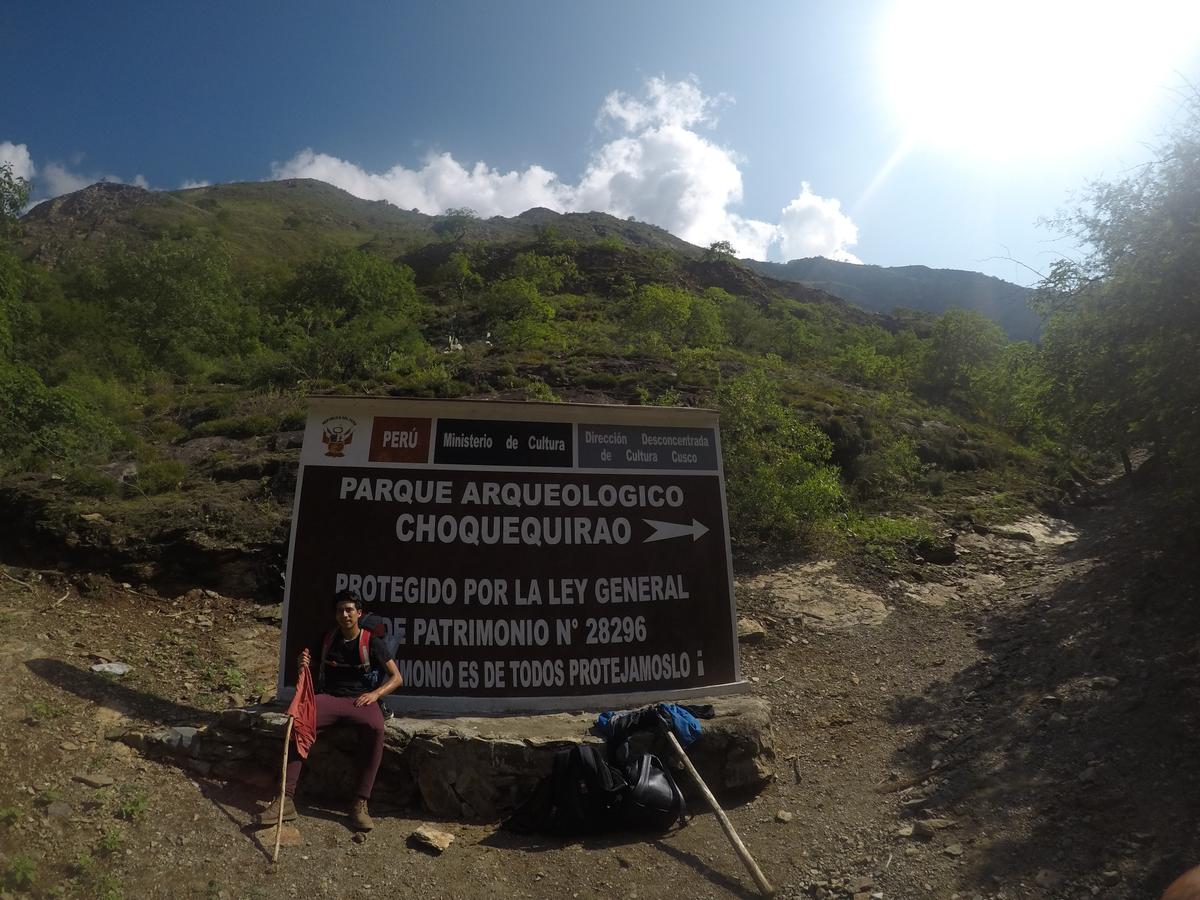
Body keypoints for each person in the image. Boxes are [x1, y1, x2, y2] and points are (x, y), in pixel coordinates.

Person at [258, 588, 403, 831]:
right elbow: (310, 666)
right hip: (329, 698)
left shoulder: (372, 642)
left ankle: (360, 802)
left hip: (360, 700)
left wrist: (375, 694)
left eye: (349, 610)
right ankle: (286, 799)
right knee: (298, 723)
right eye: (340, 610)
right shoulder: (327, 639)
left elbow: (396, 677)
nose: (345, 615)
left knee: (377, 730)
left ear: (359, 613)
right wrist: (301, 664)